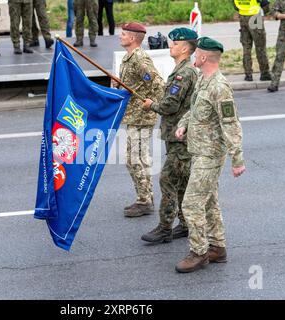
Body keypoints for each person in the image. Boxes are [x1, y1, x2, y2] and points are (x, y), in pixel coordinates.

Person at [174, 37, 246, 273]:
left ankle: (200, 252)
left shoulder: (219, 87)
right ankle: (217, 247)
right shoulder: (203, 80)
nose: (194, 57)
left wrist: (237, 160)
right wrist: (184, 123)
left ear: (204, 57)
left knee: (191, 204)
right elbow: (195, 111)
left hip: (210, 155)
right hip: (199, 151)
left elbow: (231, 124)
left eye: (197, 54)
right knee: (209, 203)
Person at [140, 27, 199, 243]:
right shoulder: (182, 69)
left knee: (168, 180)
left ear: (185, 48)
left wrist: (151, 105)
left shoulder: (185, 72)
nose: (170, 46)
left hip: (180, 137)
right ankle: (185, 224)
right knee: (182, 181)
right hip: (177, 135)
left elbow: (171, 105)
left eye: (174, 44)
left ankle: (165, 228)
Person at [112, 22, 164, 217]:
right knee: (140, 158)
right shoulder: (128, 57)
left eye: (123, 34)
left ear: (133, 38)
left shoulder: (140, 59)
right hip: (133, 115)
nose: (120, 36)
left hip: (142, 116)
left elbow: (158, 84)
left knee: (133, 159)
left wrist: (154, 105)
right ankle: (146, 198)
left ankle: (144, 200)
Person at [233, 0, 271, 81]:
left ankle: (248, 74)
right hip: (255, 17)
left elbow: (235, 6)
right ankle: (265, 73)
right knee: (260, 47)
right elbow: (266, 6)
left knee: (246, 47)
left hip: (243, 17)